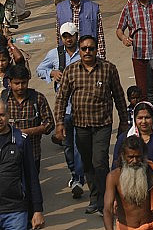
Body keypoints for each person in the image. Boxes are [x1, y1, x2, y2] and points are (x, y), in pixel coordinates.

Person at [54, 34, 129, 215]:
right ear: (79, 51)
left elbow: (119, 96)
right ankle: (94, 198)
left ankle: (106, 200)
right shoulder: (71, 71)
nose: (87, 52)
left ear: (97, 50)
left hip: (102, 125)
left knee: (100, 162)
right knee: (87, 164)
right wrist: (59, 124)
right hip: (80, 126)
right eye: (84, 49)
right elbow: (61, 99)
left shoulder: (108, 69)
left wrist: (125, 121)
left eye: (91, 48)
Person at [36, 22, 85, 197]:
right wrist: (52, 73)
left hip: (82, 108)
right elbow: (39, 69)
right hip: (63, 109)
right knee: (67, 146)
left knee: (79, 145)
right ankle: (74, 173)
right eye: (65, 36)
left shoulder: (84, 52)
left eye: (71, 35)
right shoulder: (54, 54)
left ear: (76, 35)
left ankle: (79, 178)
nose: (68, 39)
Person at [103, 135, 153, 230]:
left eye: (138, 157)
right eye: (130, 157)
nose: (135, 161)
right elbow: (108, 209)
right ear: (123, 156)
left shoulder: (152, 171)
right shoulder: (113, 177)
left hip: (151, 226)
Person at [0, 97, 45, 229]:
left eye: (2, 115)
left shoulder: (21, 140)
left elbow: (32, 177)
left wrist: (37, 210)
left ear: (8, 116)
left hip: (16, 211)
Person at [2, 64, 55, 169]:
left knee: (32, 184)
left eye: (23, 83)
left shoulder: (38, 98)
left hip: (32, 153)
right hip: (8, 155)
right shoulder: (3, 99)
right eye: (16, 83)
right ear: (9, 82)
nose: (20, 87)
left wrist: (28, 132)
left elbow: (50, 124)